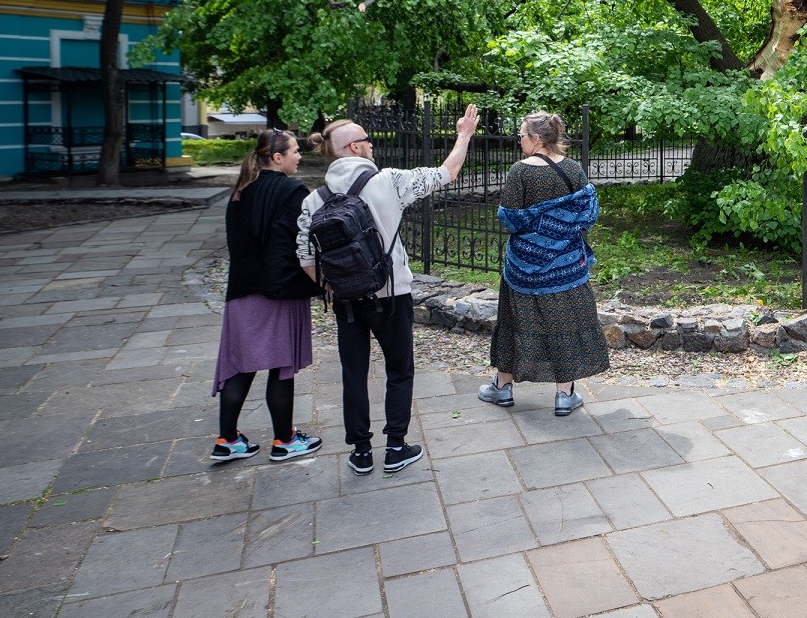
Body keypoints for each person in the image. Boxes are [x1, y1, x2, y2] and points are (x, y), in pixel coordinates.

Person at [297, 105, 480, 475]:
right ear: (353, 148)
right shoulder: (389, 182)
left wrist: (335, 284)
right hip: (391, 295)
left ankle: (361, 452)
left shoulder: (313, 200)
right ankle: (395, 446)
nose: (372, 146)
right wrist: (463, 134)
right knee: (399, 369)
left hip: (347, 300)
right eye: (367, 140)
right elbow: (448, 172)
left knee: (353, 372)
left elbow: (305, 258)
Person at [479, 112, 609, 417]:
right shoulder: (573, 169)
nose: (519, 140)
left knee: (513, 322)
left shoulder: (519, 172)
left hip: (523, 270)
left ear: (537, 139)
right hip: (565, 267)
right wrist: (558, 224)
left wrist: (537, 224)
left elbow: (510, 219)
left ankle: (502, 387)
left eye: (522, 135)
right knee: (562, 325)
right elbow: (588, 212)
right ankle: (565, 395)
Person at [211, 130, 322, 464]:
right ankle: (285, 440)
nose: (299, 156)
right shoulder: (292, 191)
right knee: (281, 366)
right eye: (295, 151)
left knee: (240, 367)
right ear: (277, 157)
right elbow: (302, 243)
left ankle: (227, 439)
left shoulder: (240, 192)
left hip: (242, 290)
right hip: (280, 291)